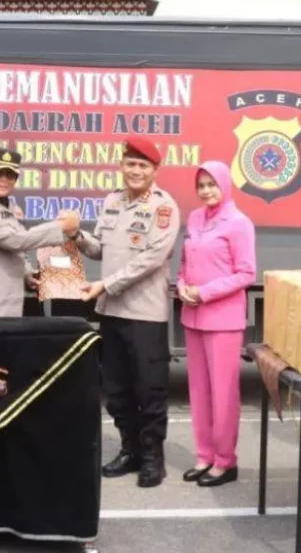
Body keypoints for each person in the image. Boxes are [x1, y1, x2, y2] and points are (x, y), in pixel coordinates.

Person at [74, 136, 181, 488]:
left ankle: (153, 458)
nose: (135, 171)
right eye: (130, 164)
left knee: (149, 390)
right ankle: (129, 449)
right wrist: (76, 235)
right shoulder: (112, 202)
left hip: (145, 314)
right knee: (117, 389)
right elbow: (99, 250)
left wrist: (105, 285)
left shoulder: (164, 208)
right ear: (121, 166)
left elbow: (151, 259)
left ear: (154, 170)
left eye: (143, 166)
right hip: (112, 312)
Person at [177, 161, 256, 488]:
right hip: (193, 316)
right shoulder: (194, 218)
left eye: (212, 184)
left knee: (223, 393)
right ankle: (204, 454)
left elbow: (246, 273)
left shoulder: (239, 223)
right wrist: (181, 285)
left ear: (225, 184)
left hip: (222, 319)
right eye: (202, 185)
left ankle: (226, 461)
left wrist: (204, 293)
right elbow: (185, 262)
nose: (207, 190)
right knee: (198, 391)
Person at [0, 146, 80, 317]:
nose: (3, 180)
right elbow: (15, 241)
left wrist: (27, 274)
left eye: (10, 175)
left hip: (7, 310)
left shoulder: (9, 206)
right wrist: (61, 226)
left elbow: (16, 252)